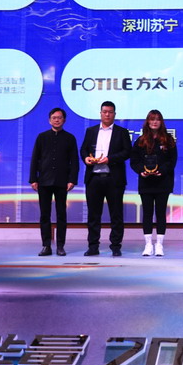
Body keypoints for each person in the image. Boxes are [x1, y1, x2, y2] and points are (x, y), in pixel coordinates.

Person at [79, 101, 132, 257]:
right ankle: (93, 246)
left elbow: (127, 152)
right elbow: (83, 150)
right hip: (94, 178)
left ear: (115, 114)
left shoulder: (122, 132)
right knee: (93, 215)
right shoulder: (91, 131)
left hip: (113, 178)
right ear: (100, 113)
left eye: (110, 112)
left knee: (116, 214)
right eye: (104, 111)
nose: (107, 114)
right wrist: (86, 159)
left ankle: (115, 246)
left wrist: (110, 159)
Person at [28, 107, 79, 257]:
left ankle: (60, 246)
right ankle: (46, 246)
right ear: (49, 120)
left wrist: (72, 180)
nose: (57, 120)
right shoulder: (42, 137)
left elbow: (74, 161)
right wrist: (33, 179)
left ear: (64, 120)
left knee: (61, 214)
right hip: (44, 181)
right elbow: (35, 159)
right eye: (54, 118)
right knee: (45, 215)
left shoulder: (70, 138)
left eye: (60, 117)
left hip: (62, 181)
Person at [129, 109, 177, 257]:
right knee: (147, 213)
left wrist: (161, 171)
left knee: (161, 213)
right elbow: (134, 161)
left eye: (157, 119)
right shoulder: (140, 140)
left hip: (163, 182)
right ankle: (148, 244)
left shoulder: (168, 140)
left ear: (161, 122)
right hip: (146, 182)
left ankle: (159, 245)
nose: (155, 122)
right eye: (152, 119)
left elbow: (172, 161)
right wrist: (141, 171)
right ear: (147, 122)